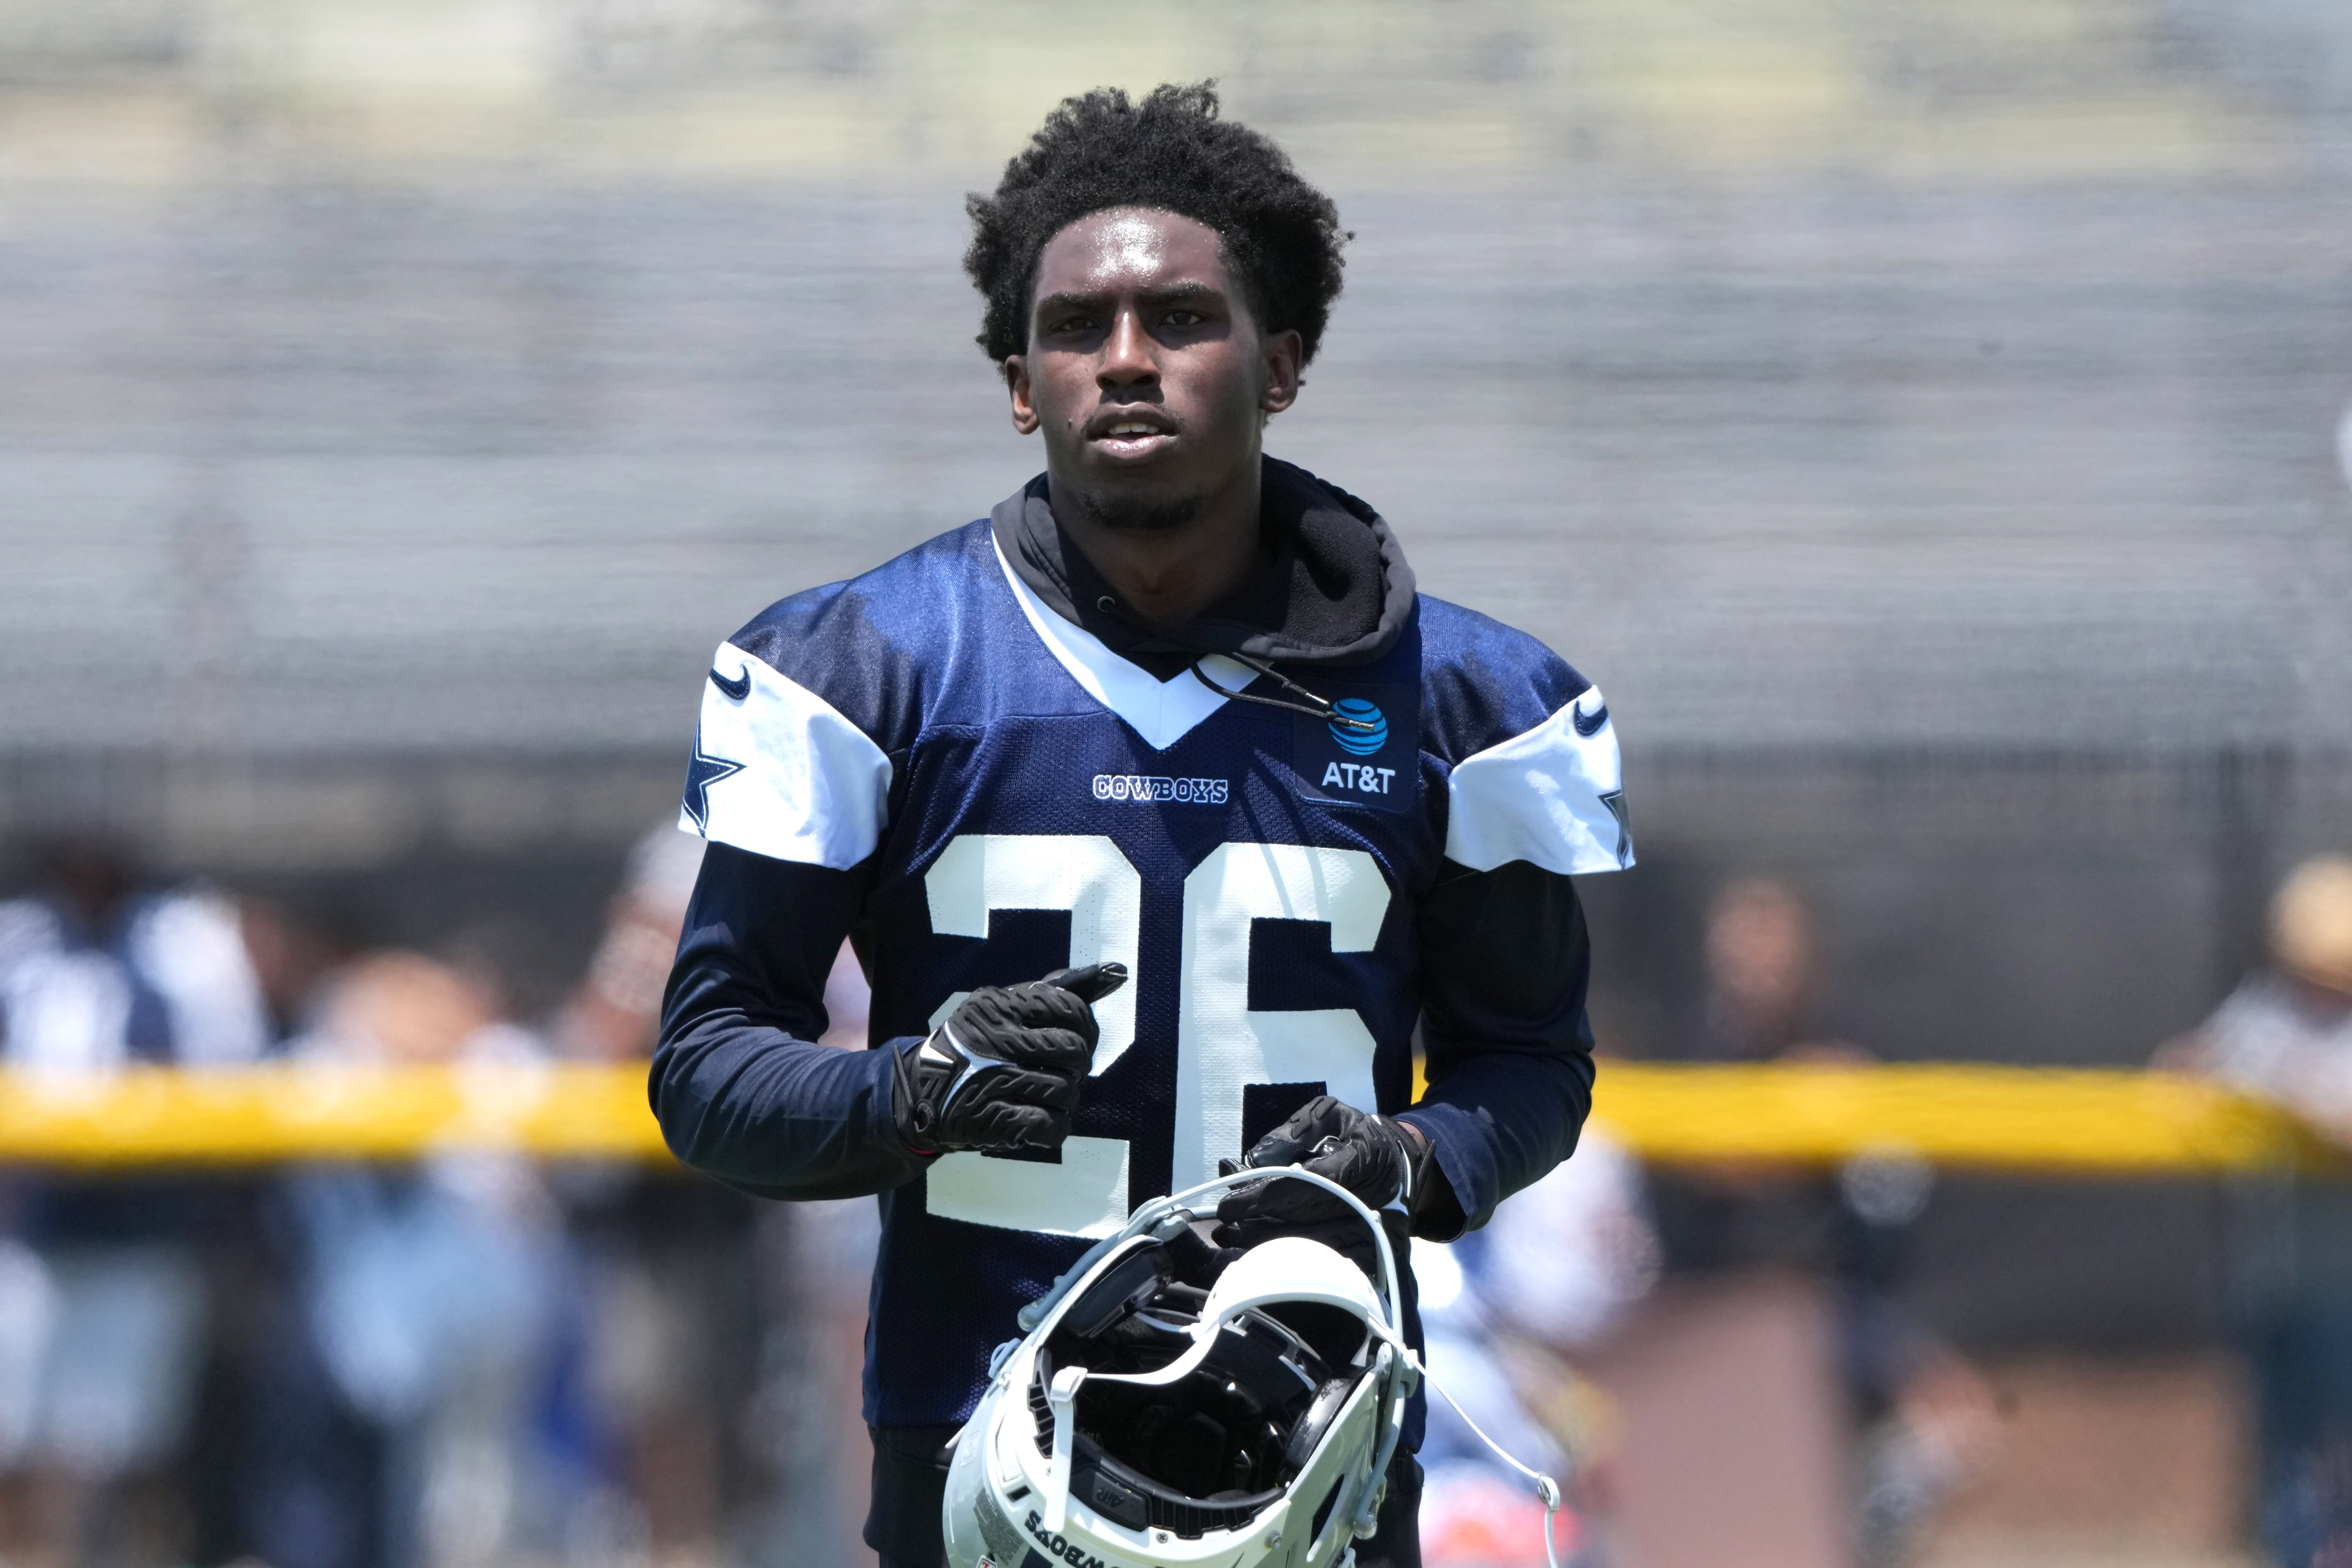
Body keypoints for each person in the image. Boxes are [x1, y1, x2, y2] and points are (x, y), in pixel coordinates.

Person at [650, 82, 1632, 1568]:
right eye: (1074, 326)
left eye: (1179, 318)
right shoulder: (869, 665)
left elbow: (1530, 1067)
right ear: (1015, 376)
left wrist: (1409, 1164)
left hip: (1312, 1443)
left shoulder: (1462, 699)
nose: (1123, 360)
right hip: (981, 1451)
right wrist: (913, 1091)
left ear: (1282, 360)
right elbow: (709, 1076)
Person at [2160, 854, 2352, 1568]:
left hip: (2343, 1286)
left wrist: (2302, 1100)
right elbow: (2194, 1064)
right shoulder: (2264, 1009)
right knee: (2283, 1448)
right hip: (2270, 1279)